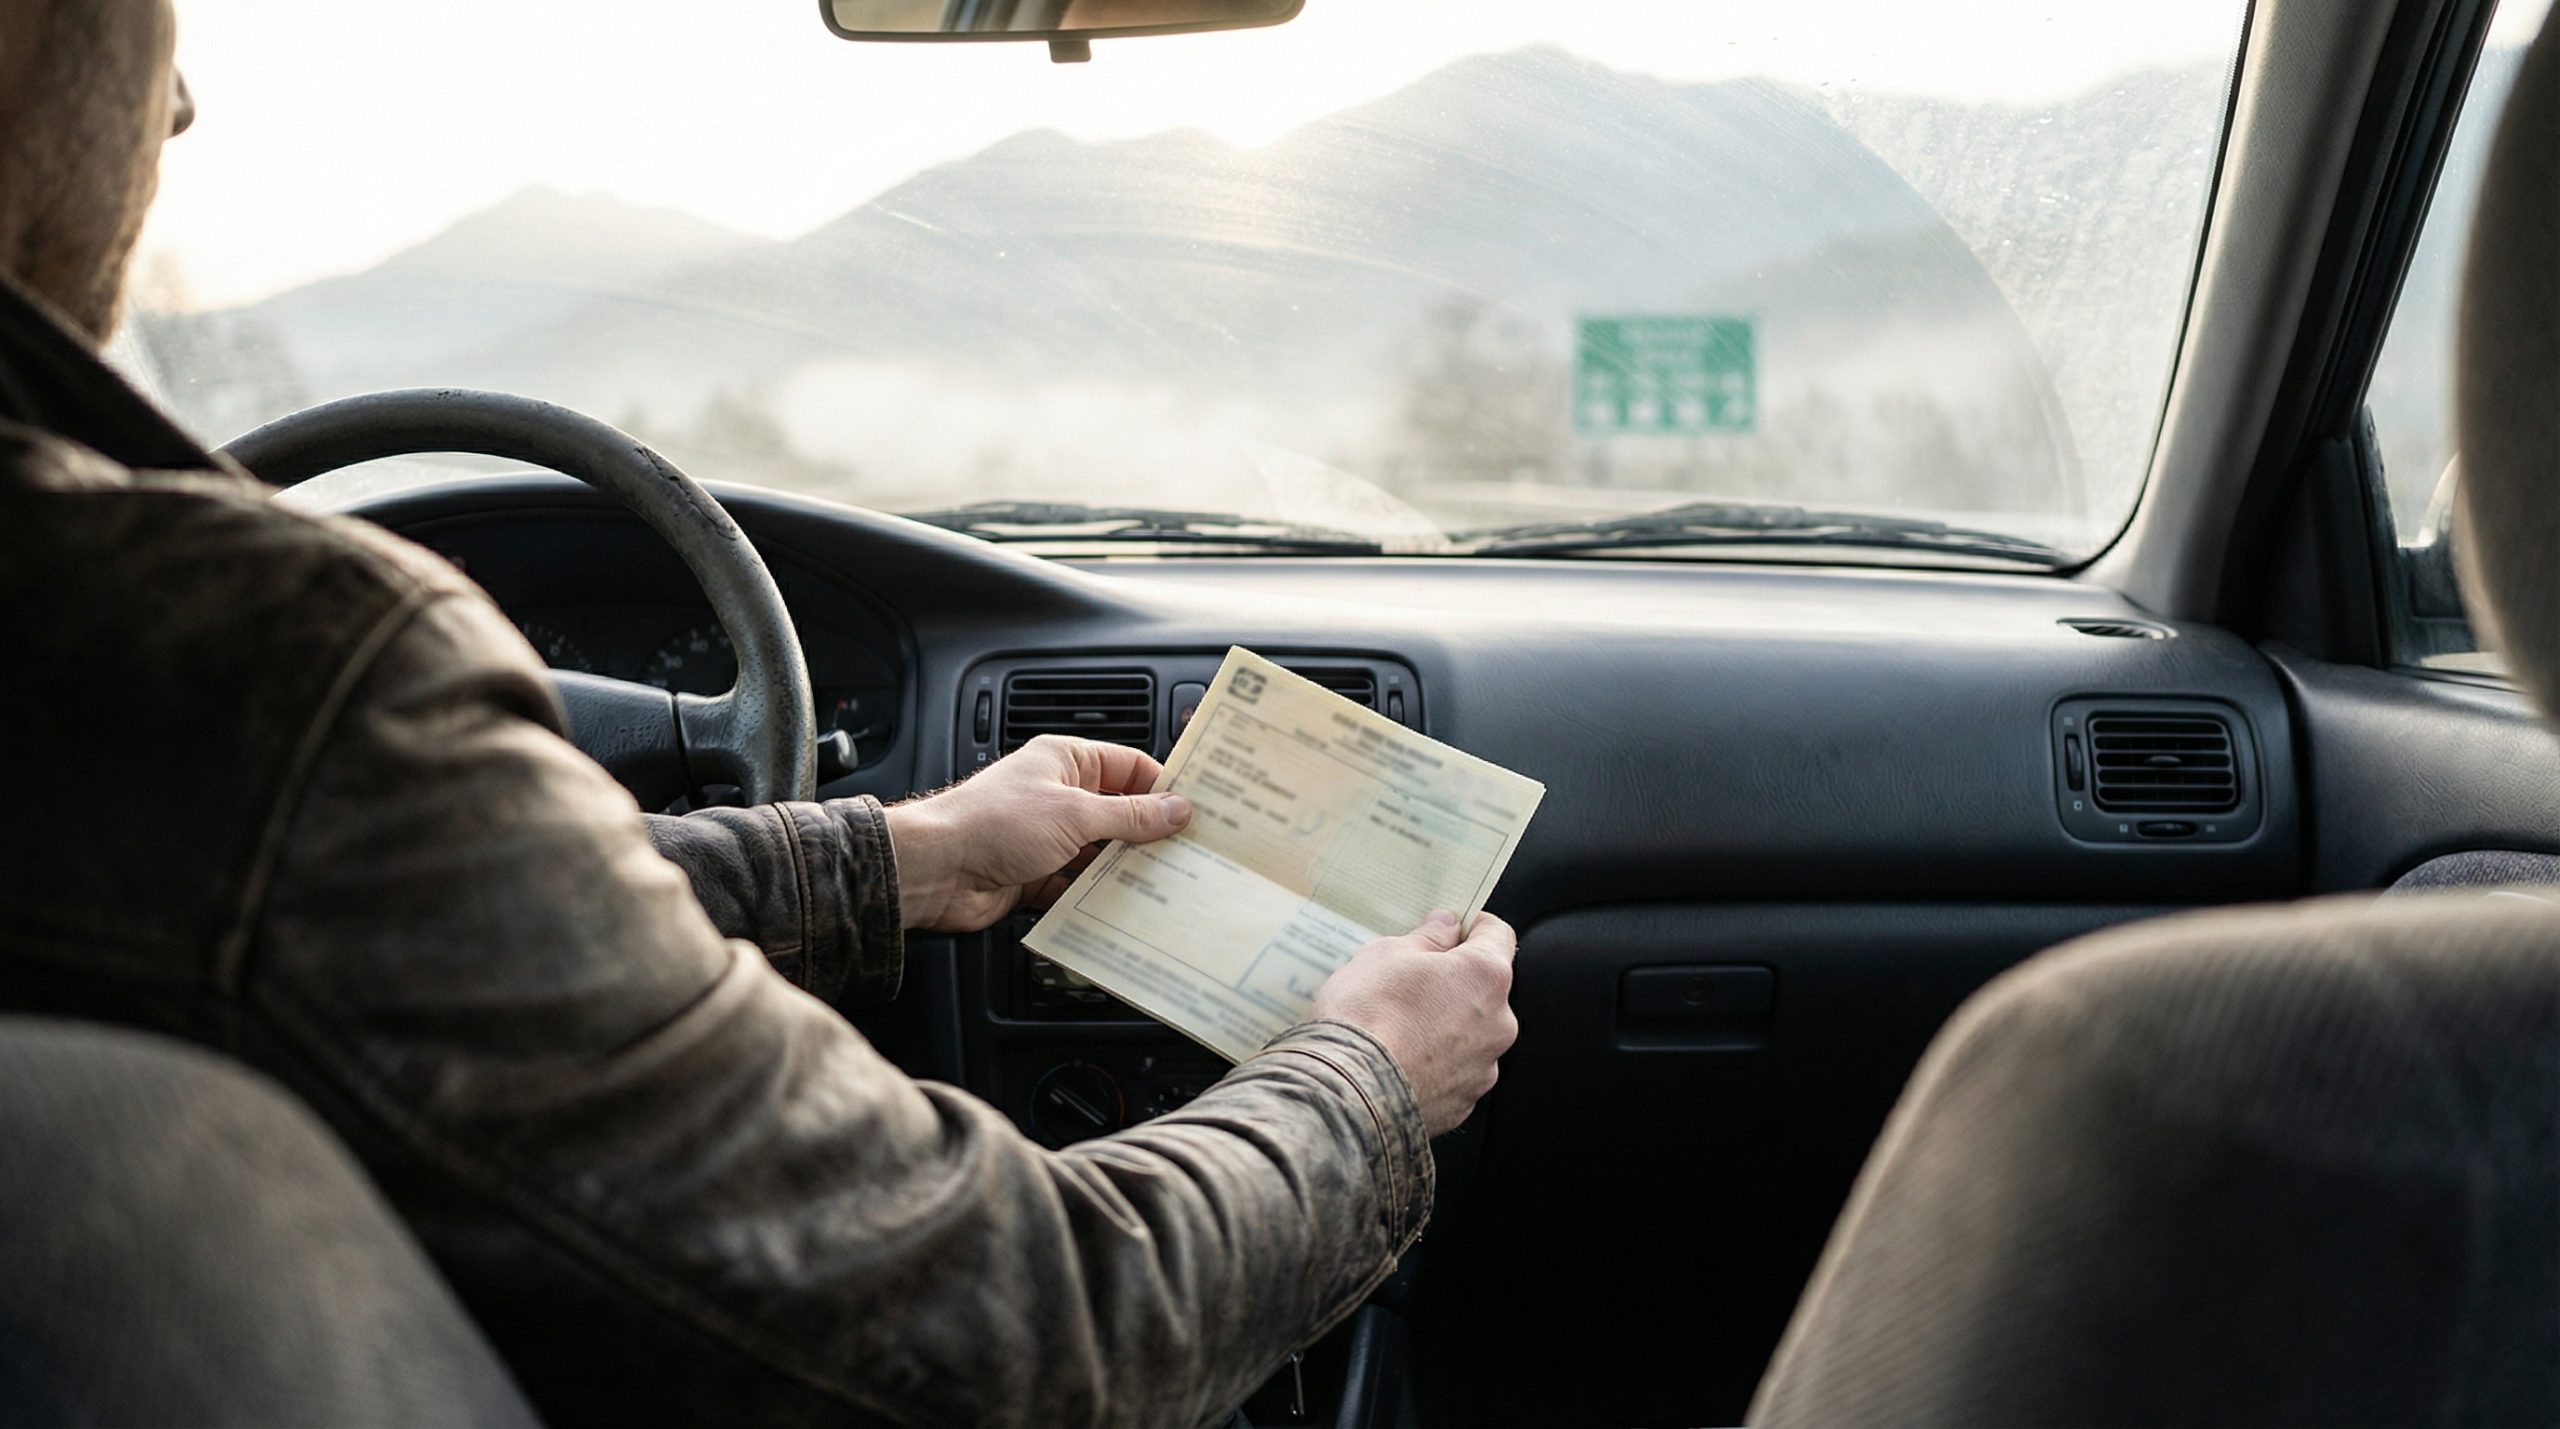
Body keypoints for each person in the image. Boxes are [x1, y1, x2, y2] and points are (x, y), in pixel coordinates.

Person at [0, 1, 1521, 1424]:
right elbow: (1031, 1330)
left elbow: (396, 934)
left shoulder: (137, 705)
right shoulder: (275, 673)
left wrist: (902, 854)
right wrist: (1368, 1080)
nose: (175, 99)